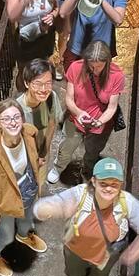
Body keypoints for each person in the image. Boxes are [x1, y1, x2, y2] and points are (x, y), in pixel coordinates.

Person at [34, 157, 139, 276]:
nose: (108, 189)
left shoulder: (126, 202)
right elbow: (45, 206)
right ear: (94, 181)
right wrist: (49, 209)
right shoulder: (80, 194)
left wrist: (134, 253)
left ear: (120, 185)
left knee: (100, 275)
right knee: (73, 270)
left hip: (107, 251)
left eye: (114, 184)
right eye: (103, 183)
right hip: (76, 247)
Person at [0, 99, 47, 276]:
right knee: (6, 236)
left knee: (27, 221)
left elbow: (36, 151)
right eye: (7, 119)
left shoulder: (29, 132)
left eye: (16, 117)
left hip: (29, 191)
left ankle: (24, 236)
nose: (13, 122)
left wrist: (38, 161)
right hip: (8, 202)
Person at [47, 41, 124, 184]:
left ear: (107, 62)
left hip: (100, 124)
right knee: (66, 148)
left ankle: (87, 171)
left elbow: (112, 107)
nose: (94, 70)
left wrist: (99, 121)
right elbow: (69, 99)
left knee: (92, 152)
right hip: (75, 119)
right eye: (91, 65)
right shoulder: (76, 68)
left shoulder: (116, 75)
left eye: (99, 66)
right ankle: (58, 167)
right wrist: (78, 112)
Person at [6, 0, 58, 91]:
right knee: (25, 72)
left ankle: (40, 96)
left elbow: (55, 7)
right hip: (26, 40)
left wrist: (52, 15)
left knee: (42, 68)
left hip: (45, 35)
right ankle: (24, 96)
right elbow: (12, 15)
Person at [16, 59, 63, 183]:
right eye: (37, 83)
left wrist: (43, 155)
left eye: (48, 83)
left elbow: (51, 126)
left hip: (40, 157)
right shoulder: (16, 110)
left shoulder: (51, 98)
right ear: (27, 83)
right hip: (22, 161)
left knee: (38, 187)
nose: (43, 89)